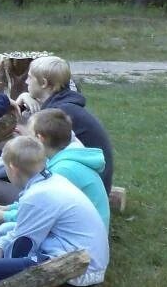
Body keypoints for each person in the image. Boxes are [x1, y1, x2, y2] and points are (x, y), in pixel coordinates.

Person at [0, 136, 108, 287]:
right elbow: (22, 229)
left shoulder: (37, 197)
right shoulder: (51, 180)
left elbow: (21, 249)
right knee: (1, 236)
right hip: (76, 251)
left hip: (79, 270)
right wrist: (1, 246)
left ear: (12, 168)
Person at [0, 109, 110, 237]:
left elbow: (40, 212)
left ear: (39, 138)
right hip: (80, 229)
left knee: (5, 230)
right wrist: (9, 209)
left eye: (29, 135)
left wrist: (5, 216)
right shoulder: (63, 158)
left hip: (83, 237)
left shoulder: (63, 170)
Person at [26, 55, 114, 190]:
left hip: (83, 190)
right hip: (89, 183)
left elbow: (31, 151)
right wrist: (25, 97)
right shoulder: (64, 105)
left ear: (43, 83)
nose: (26, 82)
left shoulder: (58, 113)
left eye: (29, 77)